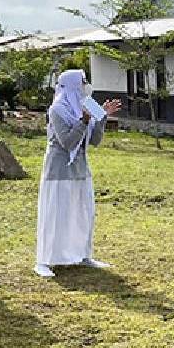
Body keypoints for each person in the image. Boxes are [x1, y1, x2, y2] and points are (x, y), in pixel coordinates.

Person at [34, 70, 121, 278]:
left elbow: (95, 141)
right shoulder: (57, 109)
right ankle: (44, 260)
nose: (86, 85)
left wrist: (102, 118)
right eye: (83, 82)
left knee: (83, 213)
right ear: (72, 84)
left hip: (80, 169)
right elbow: (67, 142)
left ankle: (83, 254)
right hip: (59, 169)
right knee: (56, 214)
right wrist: (83, 120)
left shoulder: (88, 104)